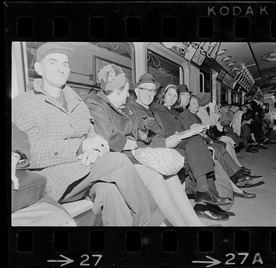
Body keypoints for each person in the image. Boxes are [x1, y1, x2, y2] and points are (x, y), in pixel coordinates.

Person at [12, 42, 164, 226]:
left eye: (65, 64)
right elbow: (31, 151)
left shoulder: (75, 100)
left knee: (110, 192)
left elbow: (90, 133)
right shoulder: (23, 103)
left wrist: (94, 147)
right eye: (53, 62)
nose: (61, 69)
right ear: (38, 68)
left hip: (84, 170)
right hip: (54, 179)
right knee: (117, 161)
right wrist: (79, 147)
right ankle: (152, 223)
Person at [84, 66, 204, 226]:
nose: (128, 96)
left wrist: (144, 135)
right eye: (127, 91)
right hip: (117, 159)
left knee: (171, 175)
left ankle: (194, 224)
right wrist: (140, 143)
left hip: (132, 153)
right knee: (157, 175)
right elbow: (111, 138)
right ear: (117, 91)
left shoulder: (121, 107)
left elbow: (137, 134)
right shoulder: (96, 104)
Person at [151, 83, 234, 211]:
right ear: (163, 95)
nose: (172, 98)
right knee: (195, 142)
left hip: (180, 139)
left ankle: (211, 197)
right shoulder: (157, 110)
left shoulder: (173, 110)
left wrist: (191, 129)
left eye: (175, 95)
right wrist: (186, 132)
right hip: (170, 142)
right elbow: (167, 132)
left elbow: (180, 128)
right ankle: (204, 192)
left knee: (200, 147)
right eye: (169, 95)